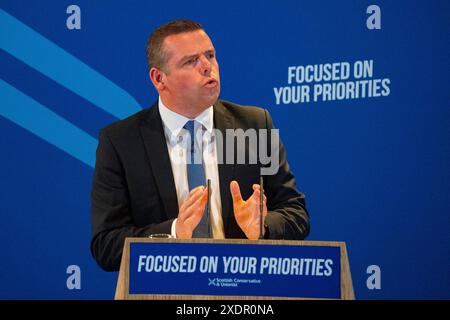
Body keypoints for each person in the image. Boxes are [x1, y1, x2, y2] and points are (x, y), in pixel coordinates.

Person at [90, 20, 309, 271]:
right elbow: (106, 245)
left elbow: (296, 213)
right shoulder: (121, 142)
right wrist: (174, 233)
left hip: (243, 290)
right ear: (159, 79)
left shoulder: (254, 125)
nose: (207, 67)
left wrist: (264, 227)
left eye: (210, 55)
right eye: (190, 61)